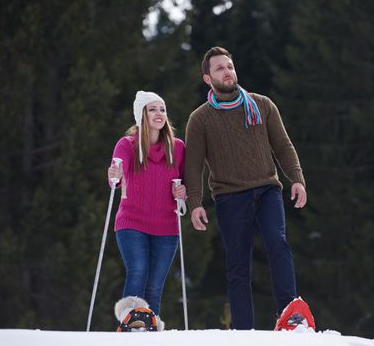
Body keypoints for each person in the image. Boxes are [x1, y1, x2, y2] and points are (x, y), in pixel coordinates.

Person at [184, 46, 307, 330]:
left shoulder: (262, 105)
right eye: (219, 68)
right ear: (207, 78)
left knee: (278, 243)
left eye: (229, 66)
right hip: (229, 198)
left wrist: (297, 179)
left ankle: (290, 317)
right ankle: (243, 332)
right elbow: (193, 166)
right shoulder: (200, 119)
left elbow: (283, 146)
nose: (227, 71)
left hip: (267, 190)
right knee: (238, 267)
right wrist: (195, 203)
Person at [108, 91, 186, 329]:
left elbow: (185, 183)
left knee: (155, 285)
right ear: (141, 114)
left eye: (162, 109)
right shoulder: (127, 144)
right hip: (132, 221)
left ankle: (149, 328)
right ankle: (132, 323)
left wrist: (182, 193)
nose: (159, 114)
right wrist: (115, 176)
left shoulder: (178, 147)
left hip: (166, 226)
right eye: (152, 109)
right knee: (138, 270)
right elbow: (116, 175)